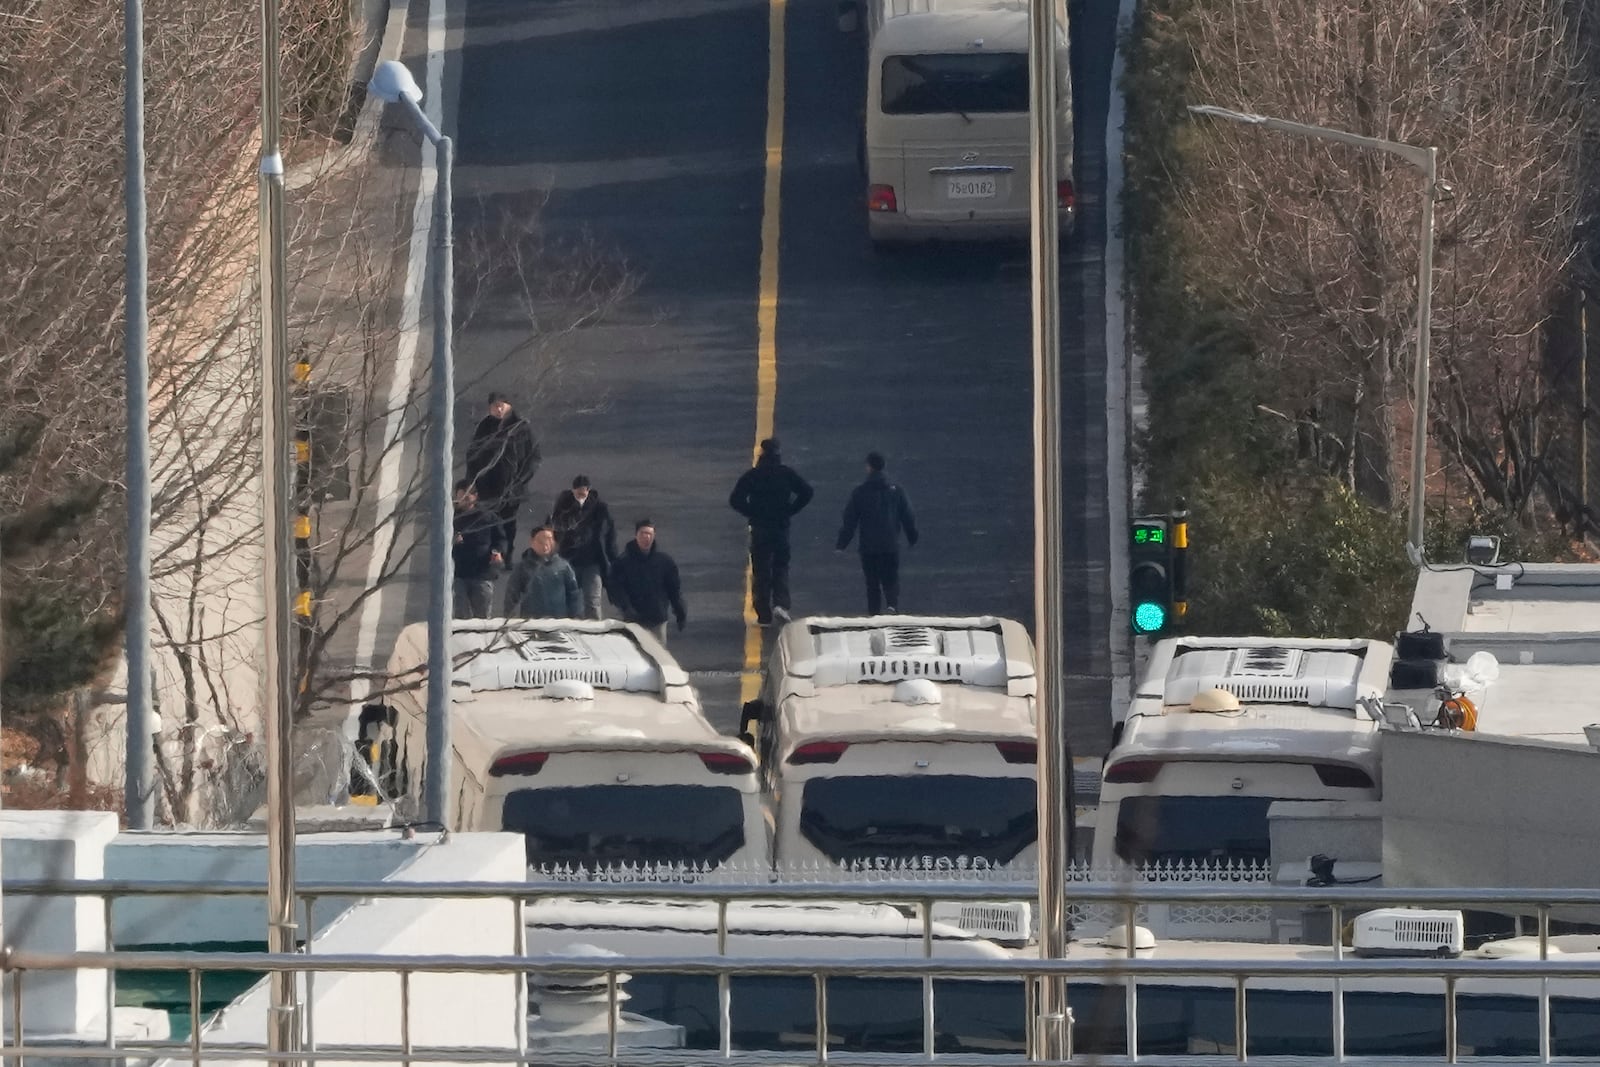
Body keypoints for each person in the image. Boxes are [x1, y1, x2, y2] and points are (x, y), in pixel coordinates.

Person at [728, 437, 814, 626]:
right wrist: (791, 510)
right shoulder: (786, 474)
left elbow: (735, 499)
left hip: (760, 529)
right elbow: (807, 492)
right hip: (781, 527)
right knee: (781, 566)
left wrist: (751, 511)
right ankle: (781, 604)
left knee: (761, 570)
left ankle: (763, 613)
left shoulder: (753, 475)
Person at [835, 451, 919, 615]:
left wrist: (841, 544)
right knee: (891, 578)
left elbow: (850, 521)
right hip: (890, 544)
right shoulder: (896, 491)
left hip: (869, 546)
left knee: (872, 583)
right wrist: (912, 537)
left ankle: (874, 614)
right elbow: (908, 516)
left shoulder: (860, 492)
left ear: (869, 467)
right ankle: (892, 606)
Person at [465, 392, 541, 567]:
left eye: (502, 405)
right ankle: (491, 554)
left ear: (509, 406)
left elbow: (534, 457)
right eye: (494, 406)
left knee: (508, 522)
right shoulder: (484, 427)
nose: (498, 409)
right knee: (488, 520)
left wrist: (521, 479)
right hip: (487, 485)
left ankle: (506, 554)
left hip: (512, 486)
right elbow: (473, 455)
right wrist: (472, 481)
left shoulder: (521, 427)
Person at [606, 519, 687, 643]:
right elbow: (615, 589)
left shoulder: (664, 562)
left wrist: (680, 612)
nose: (646, 537)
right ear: (636, 535)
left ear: (654, 536)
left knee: (659, 657)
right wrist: (626, 608)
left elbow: (674, 590)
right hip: (634, 619)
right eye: (643, 533)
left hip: (657, 618)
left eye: (649, 534)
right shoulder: (622, 563)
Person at [549, 475, 617, 620]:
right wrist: (573, 511)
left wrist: (613, 559)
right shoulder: (563, 505)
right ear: (573, 490)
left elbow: (609, 535)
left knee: (592, 601)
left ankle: (595, 635)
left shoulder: (599, 508)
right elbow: (556, 527)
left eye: (584, 491)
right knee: (569, 601)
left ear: (589, 490)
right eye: (578, 491)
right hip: (569, 561)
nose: (582, 494)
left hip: (592, 562)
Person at [504, 525, 583, 618]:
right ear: (532, 542)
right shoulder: (522, 567)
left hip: (558, 623)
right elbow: (512, 594)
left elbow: (573, 594)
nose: (545, 544)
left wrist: (576, 617)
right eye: (540, 541)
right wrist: (509, 617)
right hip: (531, 621)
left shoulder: (563, 567)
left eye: (549, 540)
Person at [452, 480, 503, 618]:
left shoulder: (487, 516)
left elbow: (500, 538)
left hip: (482, 573)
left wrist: (496, 551)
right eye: (461, 496)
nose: (464, 500)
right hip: (458, 574)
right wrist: (452, 541)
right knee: (460, 615)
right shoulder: (450, 517)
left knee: (483, 617)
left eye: (468, 496)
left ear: (475, 497)